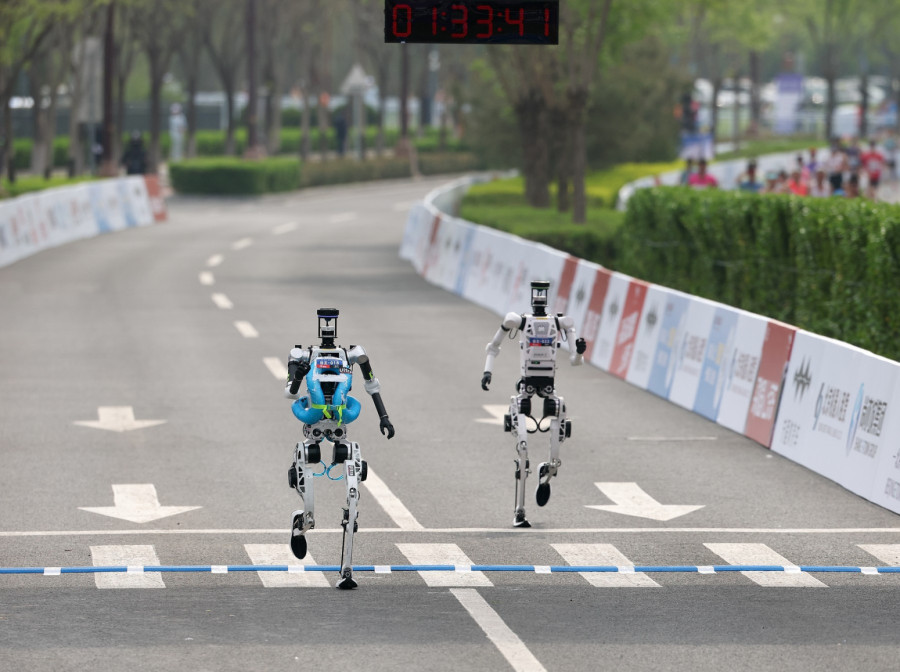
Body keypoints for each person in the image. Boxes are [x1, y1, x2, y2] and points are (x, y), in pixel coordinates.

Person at [283, 308, 395, 589]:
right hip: (314, 424)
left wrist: (384, 417)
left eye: (331, 322)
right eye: (325, 322)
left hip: (341, 423)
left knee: (354, 491)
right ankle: (302, 523)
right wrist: (299, 375)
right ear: (320, 325)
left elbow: (372, 385)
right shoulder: (303, 355)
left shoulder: (353, 354)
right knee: (307, 476)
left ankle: (346, 568)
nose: (328, 327)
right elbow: (291, 393)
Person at [481, 281, 585, 528]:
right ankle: (519, 510)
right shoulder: (520, 321)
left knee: (558, 436)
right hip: (526, 387)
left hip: (549, 385)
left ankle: (547, 472)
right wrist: (487, 371)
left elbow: (574, 361)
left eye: (543, 293)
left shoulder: (560, 323)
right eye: (537, 293)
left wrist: (579, 351)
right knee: (523, 446)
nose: (539, 298)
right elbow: (493, 345)